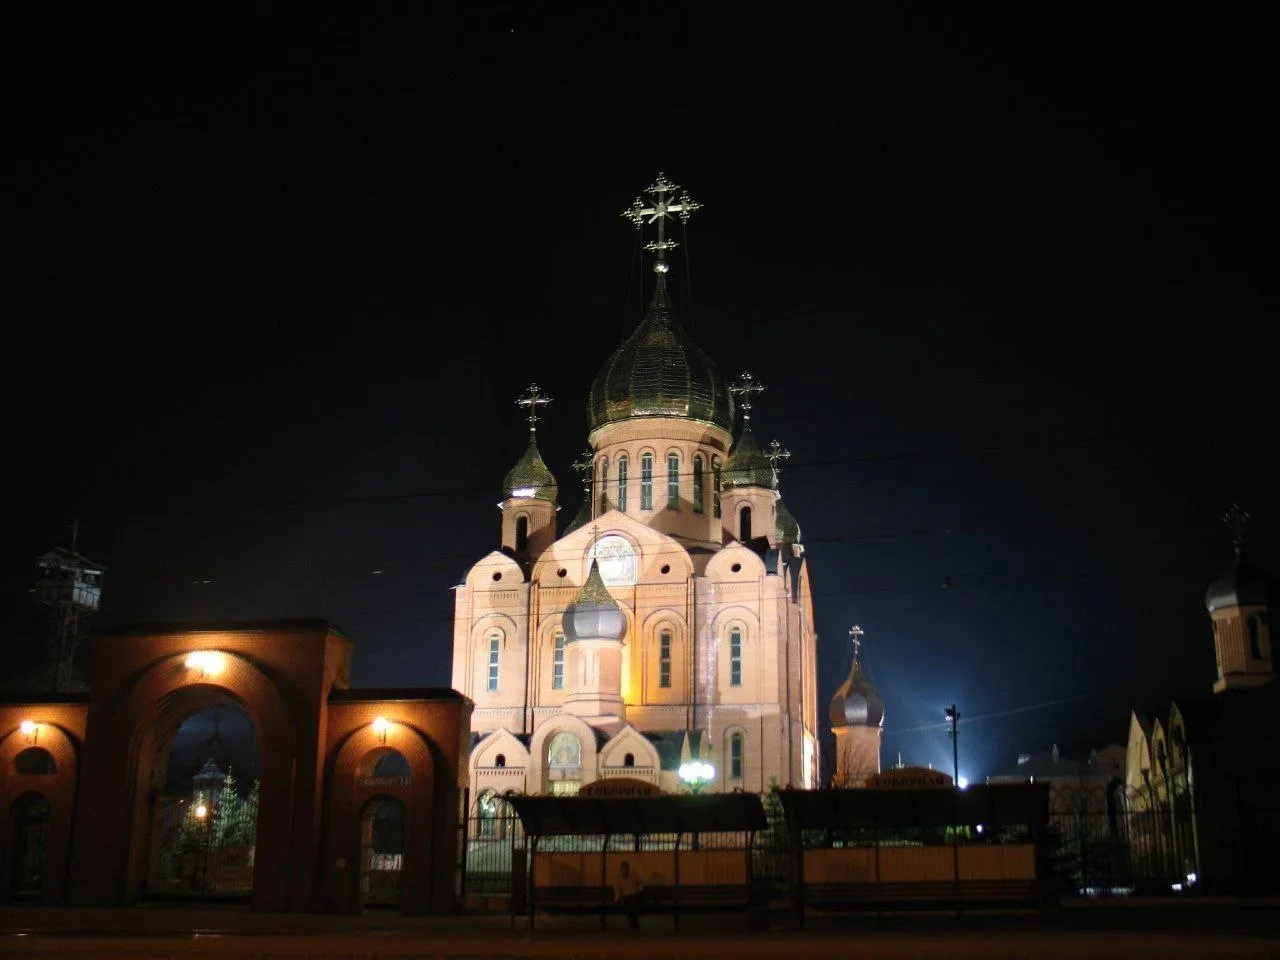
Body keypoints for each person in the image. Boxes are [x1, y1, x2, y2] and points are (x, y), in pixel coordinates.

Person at [614, 860, 644, 930]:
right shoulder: (618, 877)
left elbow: (641, 882)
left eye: (626, 869)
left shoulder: (633, 874)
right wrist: (617, 900)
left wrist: (640, 888)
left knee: (635, 900)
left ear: (628, 869)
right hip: (626, 898)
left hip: (634, 896)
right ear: (621, 869)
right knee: (633, 904)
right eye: (623, 869)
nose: (624, 871)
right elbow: (617, 889)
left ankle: (631, 918)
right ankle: (634, 921)